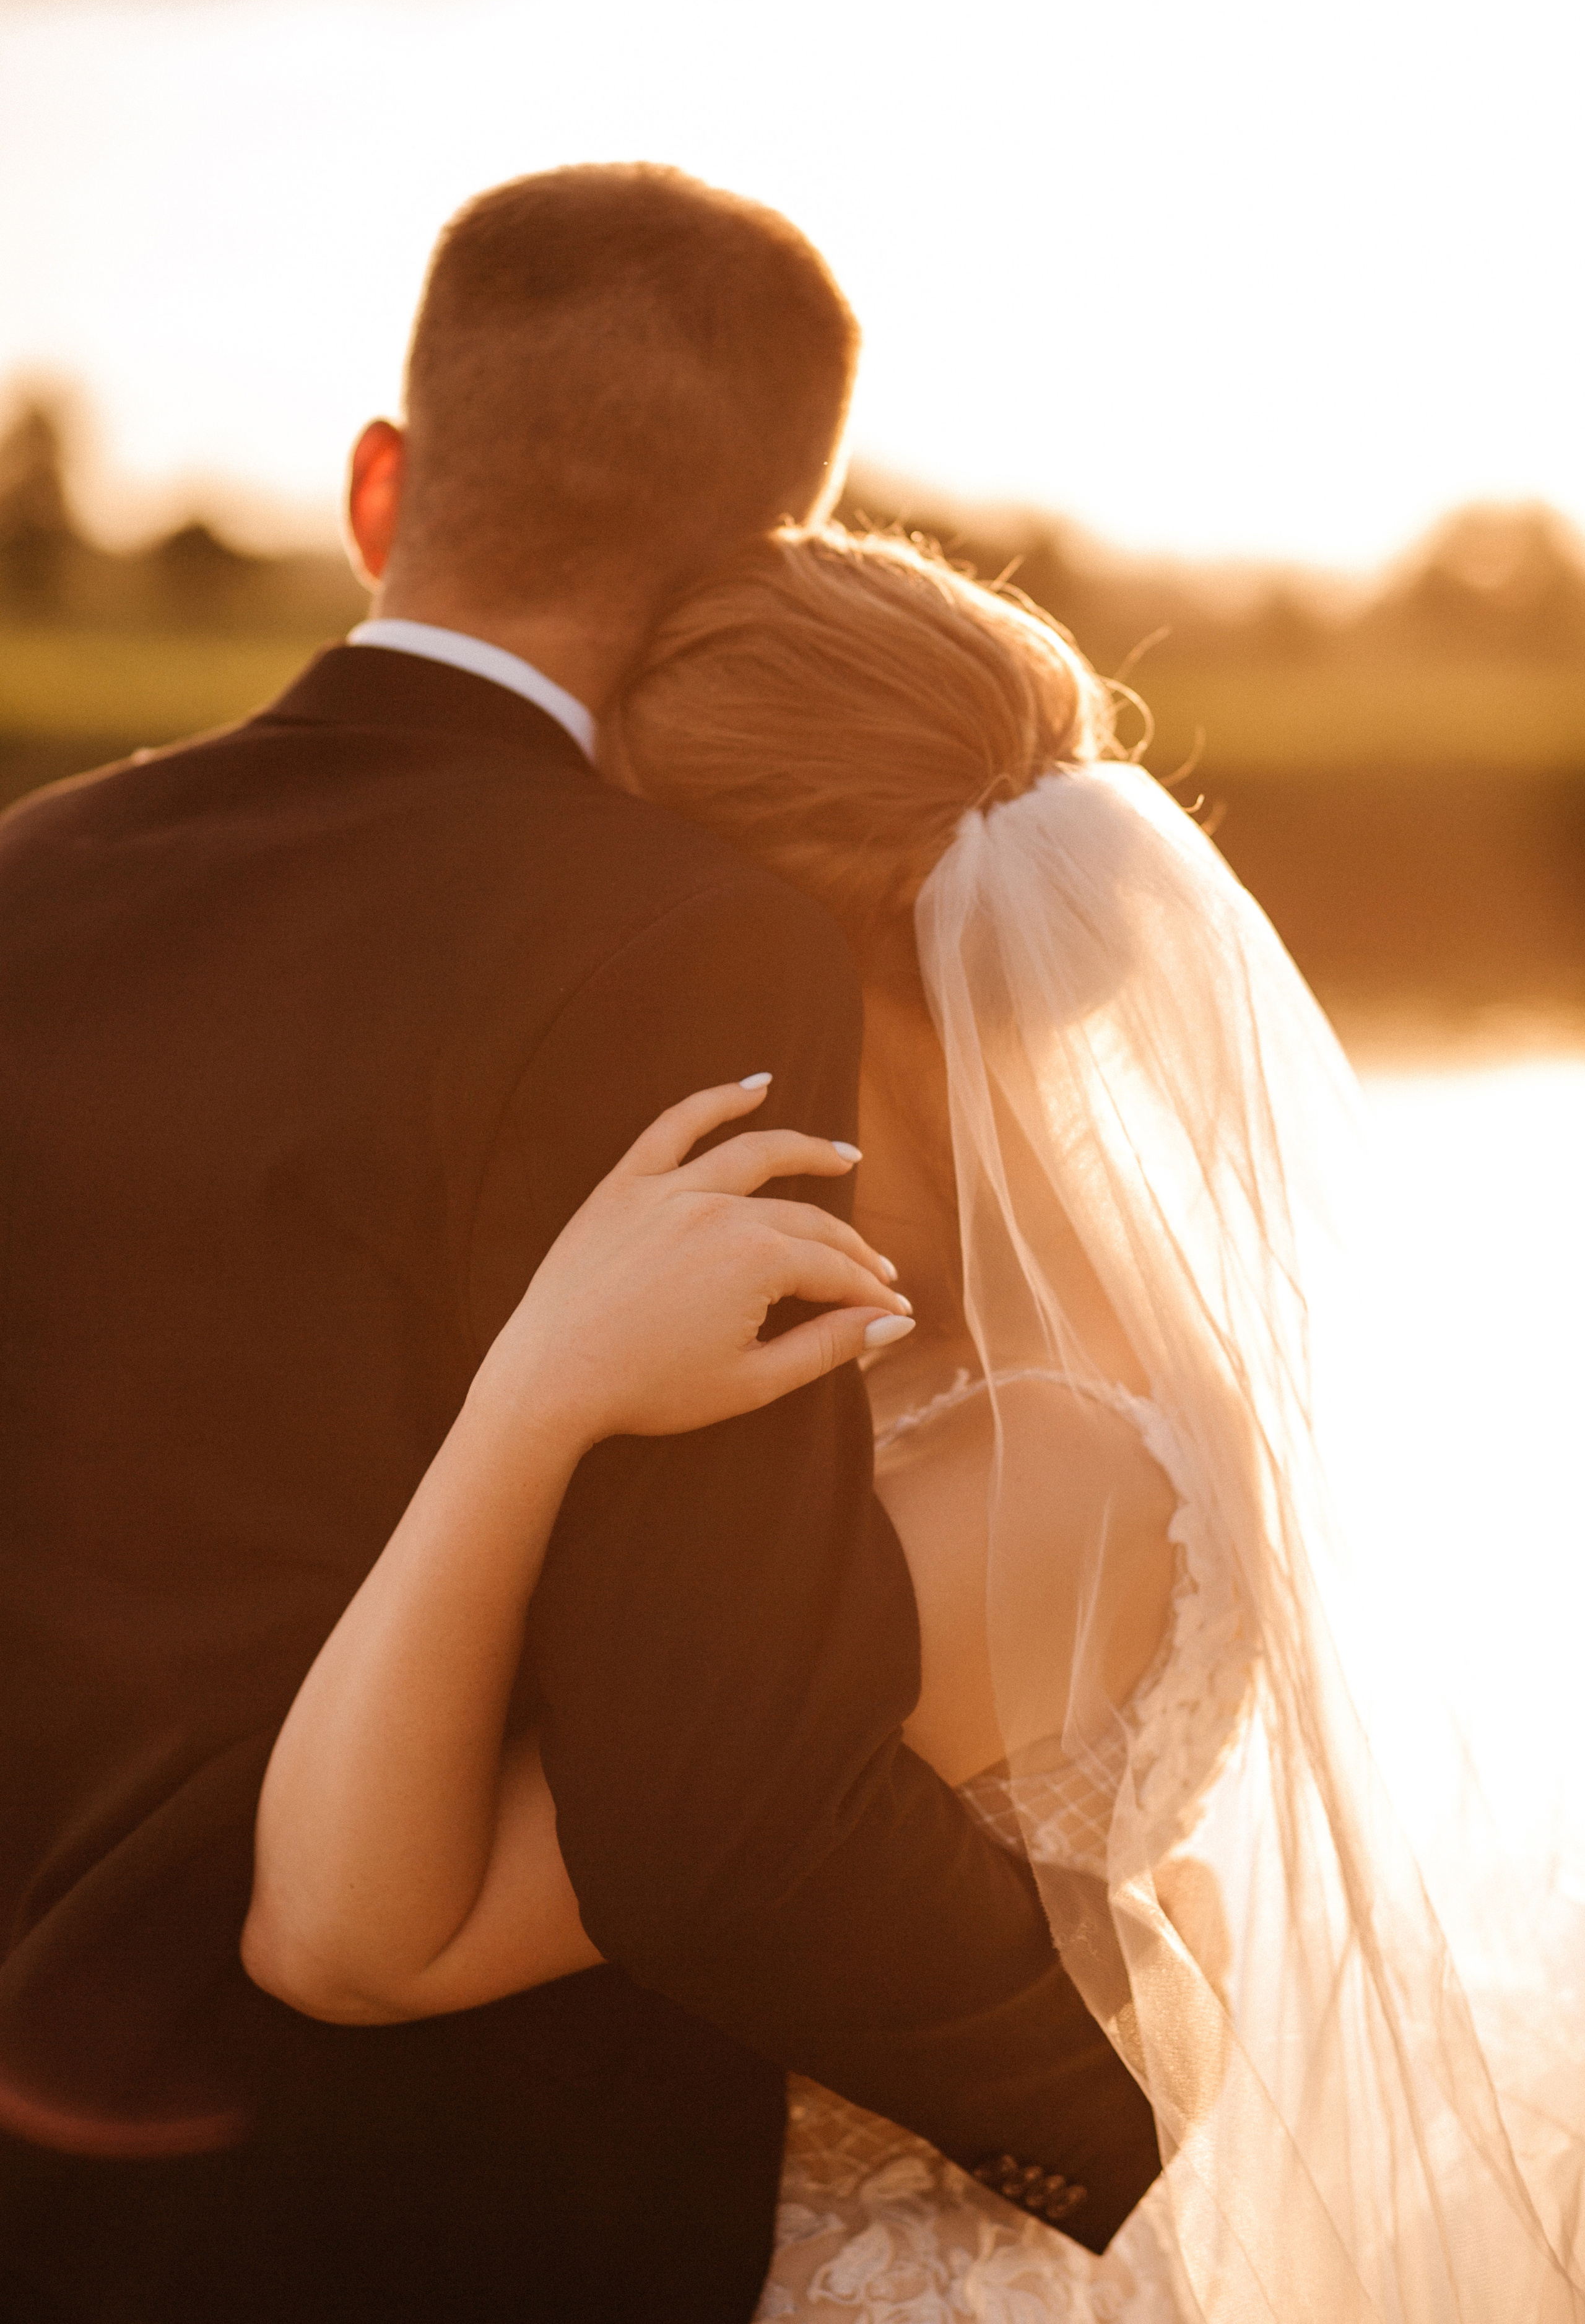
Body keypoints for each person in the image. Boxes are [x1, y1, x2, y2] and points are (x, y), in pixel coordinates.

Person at [0, 171, 1159, 2324]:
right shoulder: (695, 941)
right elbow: (719, 1783)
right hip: (479, 2221)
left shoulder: (26, 880)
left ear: (380, 485)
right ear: (763, 561)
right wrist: (1119, 2097)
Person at [250, 524, 1585, 2321]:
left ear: (724, 932)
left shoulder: (1051, 1473)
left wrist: (534, 1398)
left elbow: (352, 1933)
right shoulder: (905, 1327)